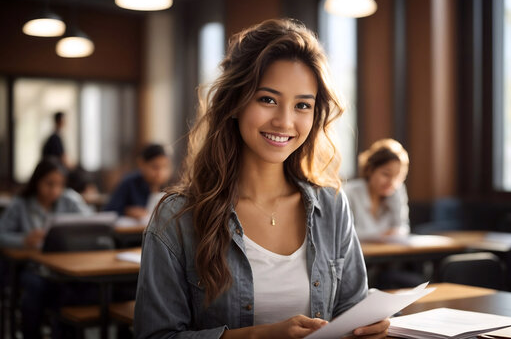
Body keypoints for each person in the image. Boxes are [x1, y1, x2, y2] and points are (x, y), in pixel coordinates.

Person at [134, 18, 389, 338]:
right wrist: (258, 335)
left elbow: (350, 311)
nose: (285, 121)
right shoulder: (176, 218)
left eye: (302, 105)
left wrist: (366, 327)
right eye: (268, 99)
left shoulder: (332, 206)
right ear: (235, 102)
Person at [0, 157, 91, 339]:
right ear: (37, 181)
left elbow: (91, 223)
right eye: (49, 184)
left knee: (70, 291)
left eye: (59, 185)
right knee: (36, 288)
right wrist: (24, 240)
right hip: (32, 267)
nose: (54, 190)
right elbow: (1, 234)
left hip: (66, 267)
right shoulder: (21, 203)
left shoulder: (70, 200)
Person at [344, 138, 410, 241]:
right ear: (370, 169)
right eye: (386, 174)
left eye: (398, 177)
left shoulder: (397, 192)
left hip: (389, 253)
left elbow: (403, 228)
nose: (391, 182)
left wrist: (396, 232)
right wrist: (381, 235)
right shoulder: (350, 192)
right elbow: (344, 233)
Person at [105, 143, 172, 221]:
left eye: (165, 167)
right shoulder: (129, 183)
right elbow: (109, 211)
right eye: (155, 167)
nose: (160, 173)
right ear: (141, 164)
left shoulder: (171, 187)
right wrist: (127, 211)